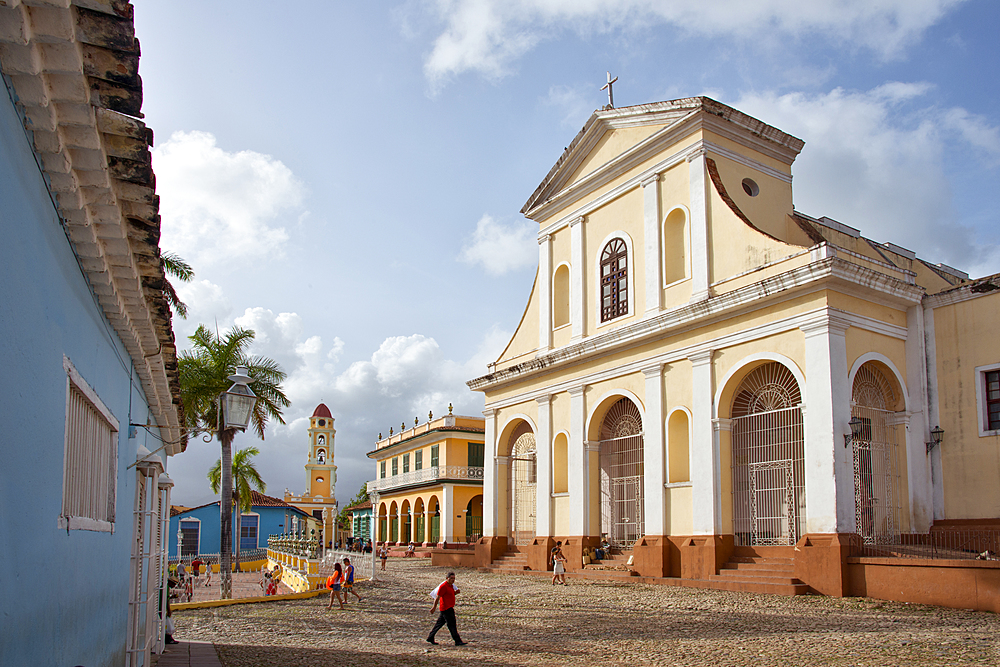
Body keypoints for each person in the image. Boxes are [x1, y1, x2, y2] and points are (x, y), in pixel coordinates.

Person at [427, 572, 466, 646]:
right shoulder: (443, 586)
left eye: (454, 578)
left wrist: (455, 593)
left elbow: (449, 594)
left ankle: (430, 637)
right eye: (451, 578)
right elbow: (437, 597)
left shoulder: (451, 586)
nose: (453, 580)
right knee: (452, 625)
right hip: (446, 609)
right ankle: (457, 641)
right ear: (447, 578)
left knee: (439, 624)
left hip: (448, 608)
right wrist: (434, 607)